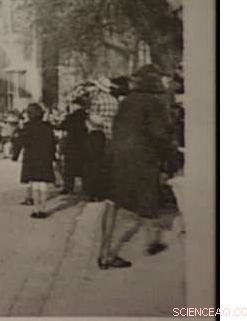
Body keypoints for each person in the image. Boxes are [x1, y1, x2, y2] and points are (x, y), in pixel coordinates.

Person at [97, 64, 177, 269]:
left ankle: (104, 253)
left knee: (111, 203)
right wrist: (170, 156)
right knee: (149, 197)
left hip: (115, 155)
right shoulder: (155, 103)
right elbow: (159, 135)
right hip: (141, 157)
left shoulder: (126, 102)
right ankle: (153, 241)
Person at [11, 103, 57, 219]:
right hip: (45, 158)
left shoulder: (27, 127)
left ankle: (36, 210)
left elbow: (19, 142)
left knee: (35, 184)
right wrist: (53, 157)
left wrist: (15, 156)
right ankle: (43, 209)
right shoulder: (48, 127)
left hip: (32, 159)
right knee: (43, 184)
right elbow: (52, 143)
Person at [84, 77, 120, 201]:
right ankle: (105, 192)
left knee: (94, 164)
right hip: (111, 133)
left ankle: (94, 193)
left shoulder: (96, 100)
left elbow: (93, 118)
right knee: (106, 165)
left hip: (97, 133)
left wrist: (88, 122)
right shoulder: (114, 100)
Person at [60, 98, 88, 195]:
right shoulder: (86, 116)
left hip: (71, 144)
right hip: (84, 143)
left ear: (76, 105)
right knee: (84, 166)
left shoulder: (71, 116)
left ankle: (68, 187)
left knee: (69, 167)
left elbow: (62, 126)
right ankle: (85, 188)